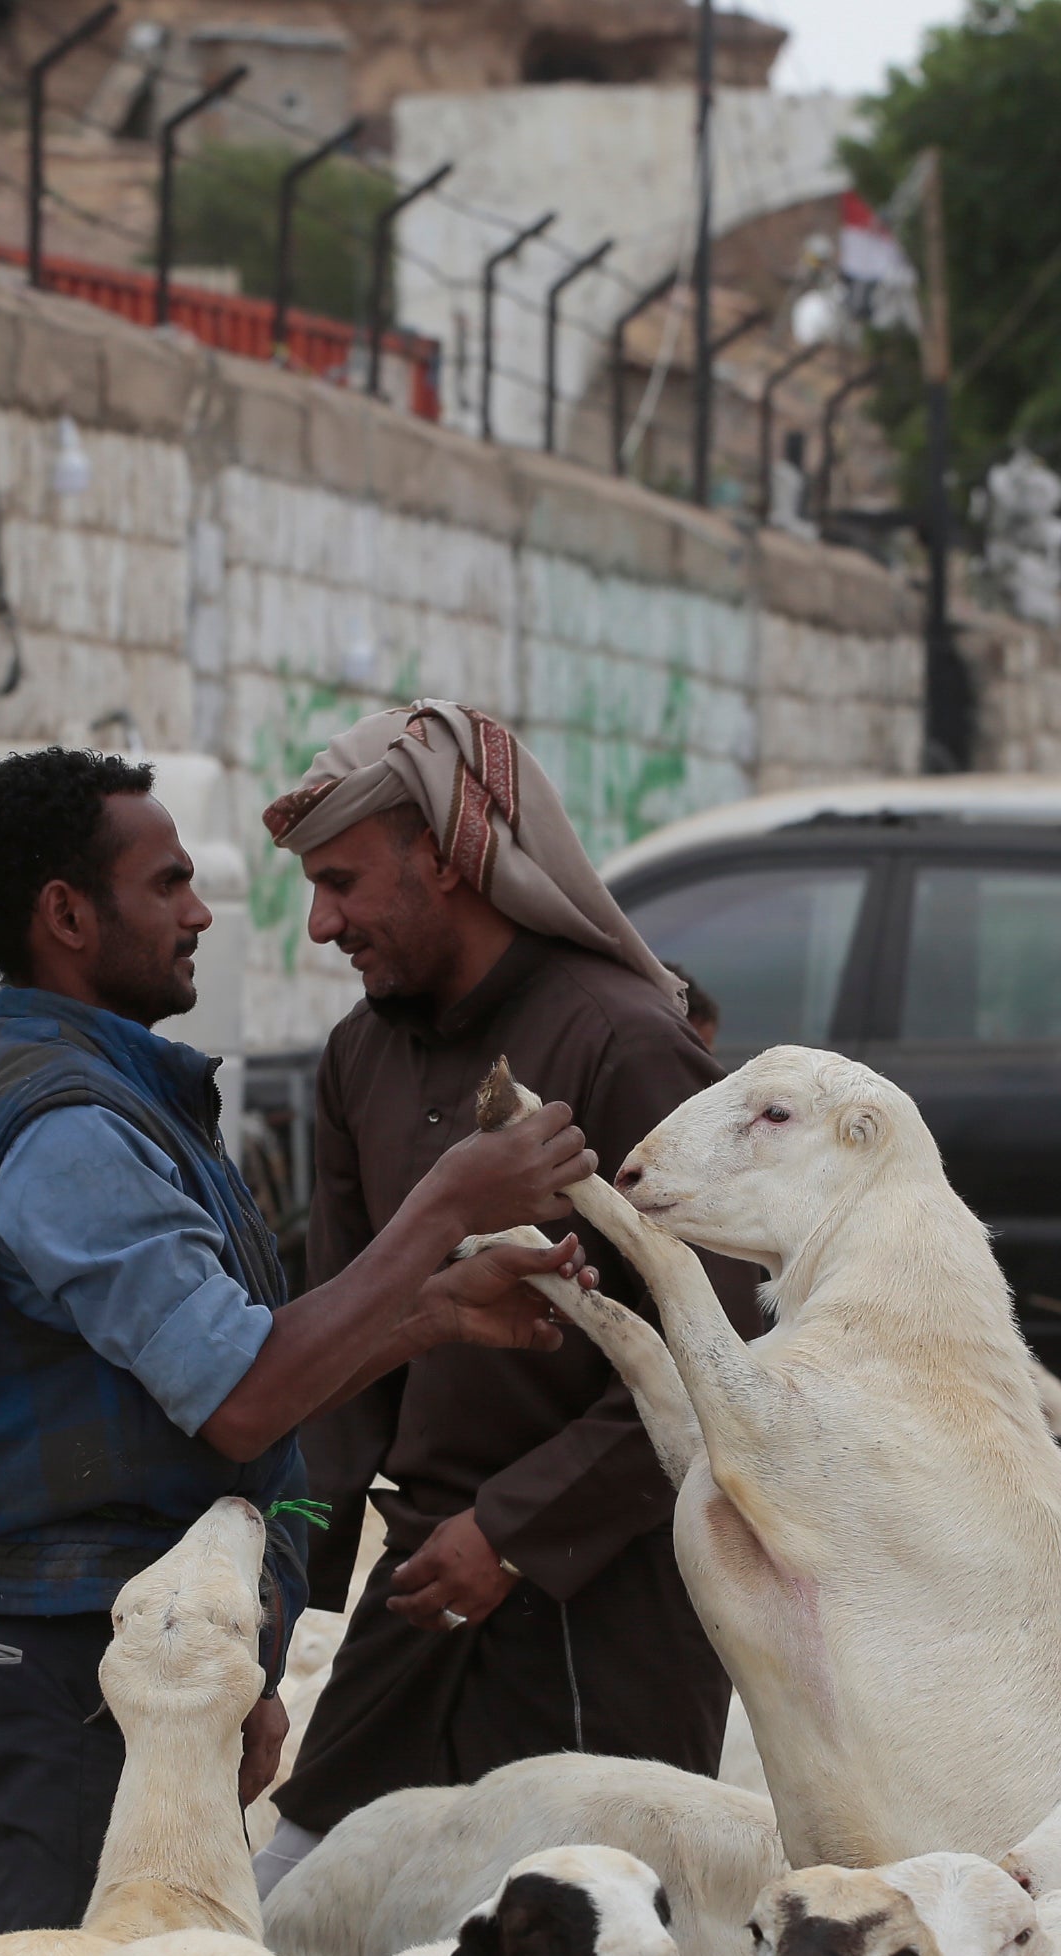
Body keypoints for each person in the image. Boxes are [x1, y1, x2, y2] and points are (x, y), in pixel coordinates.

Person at [0, 746, 599, 1931]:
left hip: (157, 1667)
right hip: (91, 1679)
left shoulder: (120, 1098)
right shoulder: (68, 1130)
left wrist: (437, 1306)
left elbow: (232, 1365)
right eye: (168, 883)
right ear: (68, 915)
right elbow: (240, 1395)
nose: (201, 913)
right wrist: (445, 1205)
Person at [256, 701, 747, 1874]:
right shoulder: (356, 1057)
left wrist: (514, 1532)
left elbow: (715, 1354)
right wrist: (271, 1612)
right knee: (295, 1910)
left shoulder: (623, 1043)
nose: (321, 924)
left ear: (443, 857)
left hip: (606, 1614)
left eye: (342, 882)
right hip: (422, 1593)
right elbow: (340, 1350)